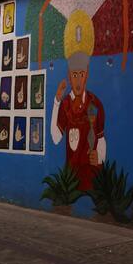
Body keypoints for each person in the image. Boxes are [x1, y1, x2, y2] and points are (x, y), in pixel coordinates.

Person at [50, 10, 106, 191]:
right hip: (71, 183)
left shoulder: (95, 104)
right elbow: (56, 138)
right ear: (69, 75)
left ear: (87, 75)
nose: (78, 80)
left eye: (81, 74)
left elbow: (101, 138)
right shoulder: (65, 104)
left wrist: (100, 156)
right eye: (74, 75)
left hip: (92, 180)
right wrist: (56, 101)